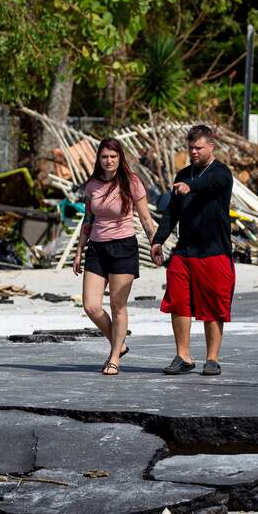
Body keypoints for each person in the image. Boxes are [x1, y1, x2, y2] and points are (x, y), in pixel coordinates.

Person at [150, 124, 234, 376]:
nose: (194, 152)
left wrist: (191, 187)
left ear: (211, 146)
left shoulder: (221, 172)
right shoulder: (183, 174)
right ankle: (183, 356)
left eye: (198, 148)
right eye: (190, 148)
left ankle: (212, 358)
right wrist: (158, 240)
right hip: (184, 251)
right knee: (178, 302)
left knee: (213, 307)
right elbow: (172, 212)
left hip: (214, 250)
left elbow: (209, 183)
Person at [73, 138, 158, 375]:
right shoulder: (92, 185)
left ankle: (114, 358)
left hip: (123, 248)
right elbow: (88, 220)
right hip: (97, 250)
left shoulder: (132, 183)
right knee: (91, 306)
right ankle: (119, 344)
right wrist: (79, 251)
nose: (108, 161)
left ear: (120, 158)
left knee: (117, 305)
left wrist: (155, 244)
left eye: (113, 156)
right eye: (104, 156)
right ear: (99, 159)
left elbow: (145, 220)